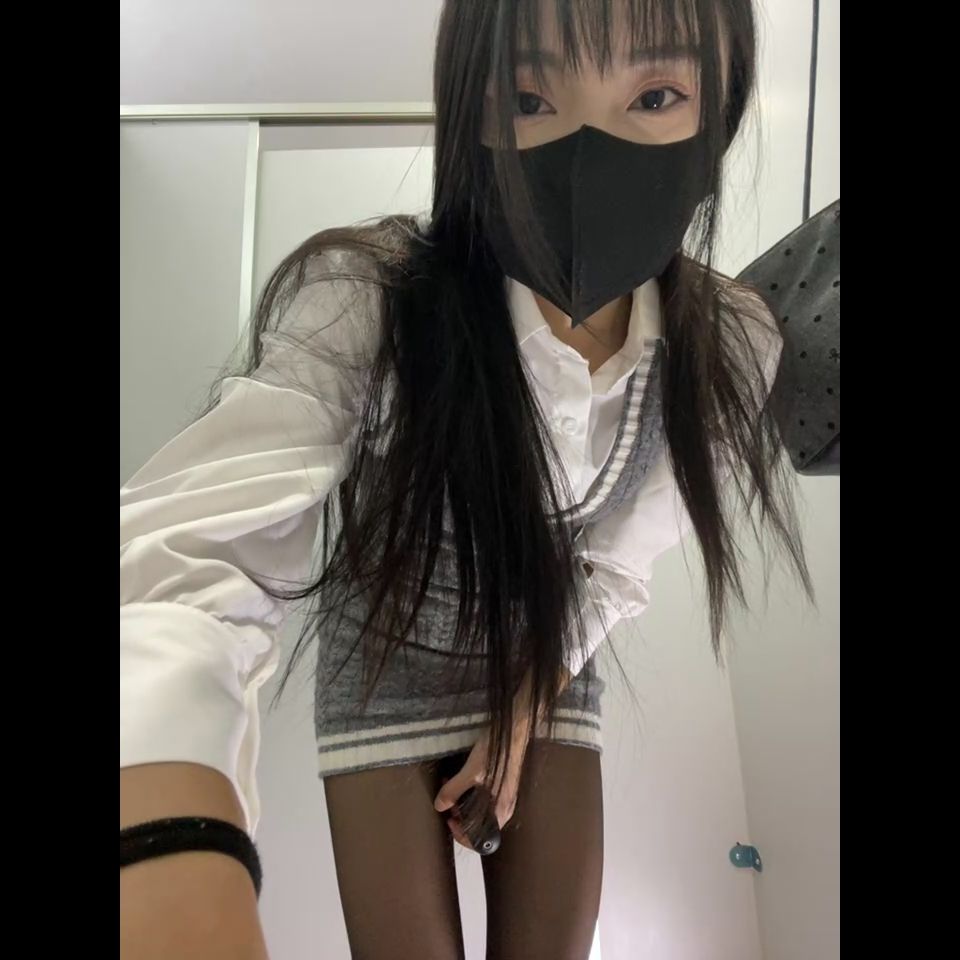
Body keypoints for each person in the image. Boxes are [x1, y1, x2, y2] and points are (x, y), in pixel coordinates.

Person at [120, 1, 811, 957]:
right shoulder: (369, 293)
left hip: (547, 656)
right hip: (383, 662)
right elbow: (192, 555)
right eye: (528, 98)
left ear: (721, 109)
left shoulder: (731, 340)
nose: (586, 151)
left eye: (655, 94)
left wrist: (526, 702)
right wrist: (169, 841)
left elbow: (615, 565)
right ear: (470, 113)